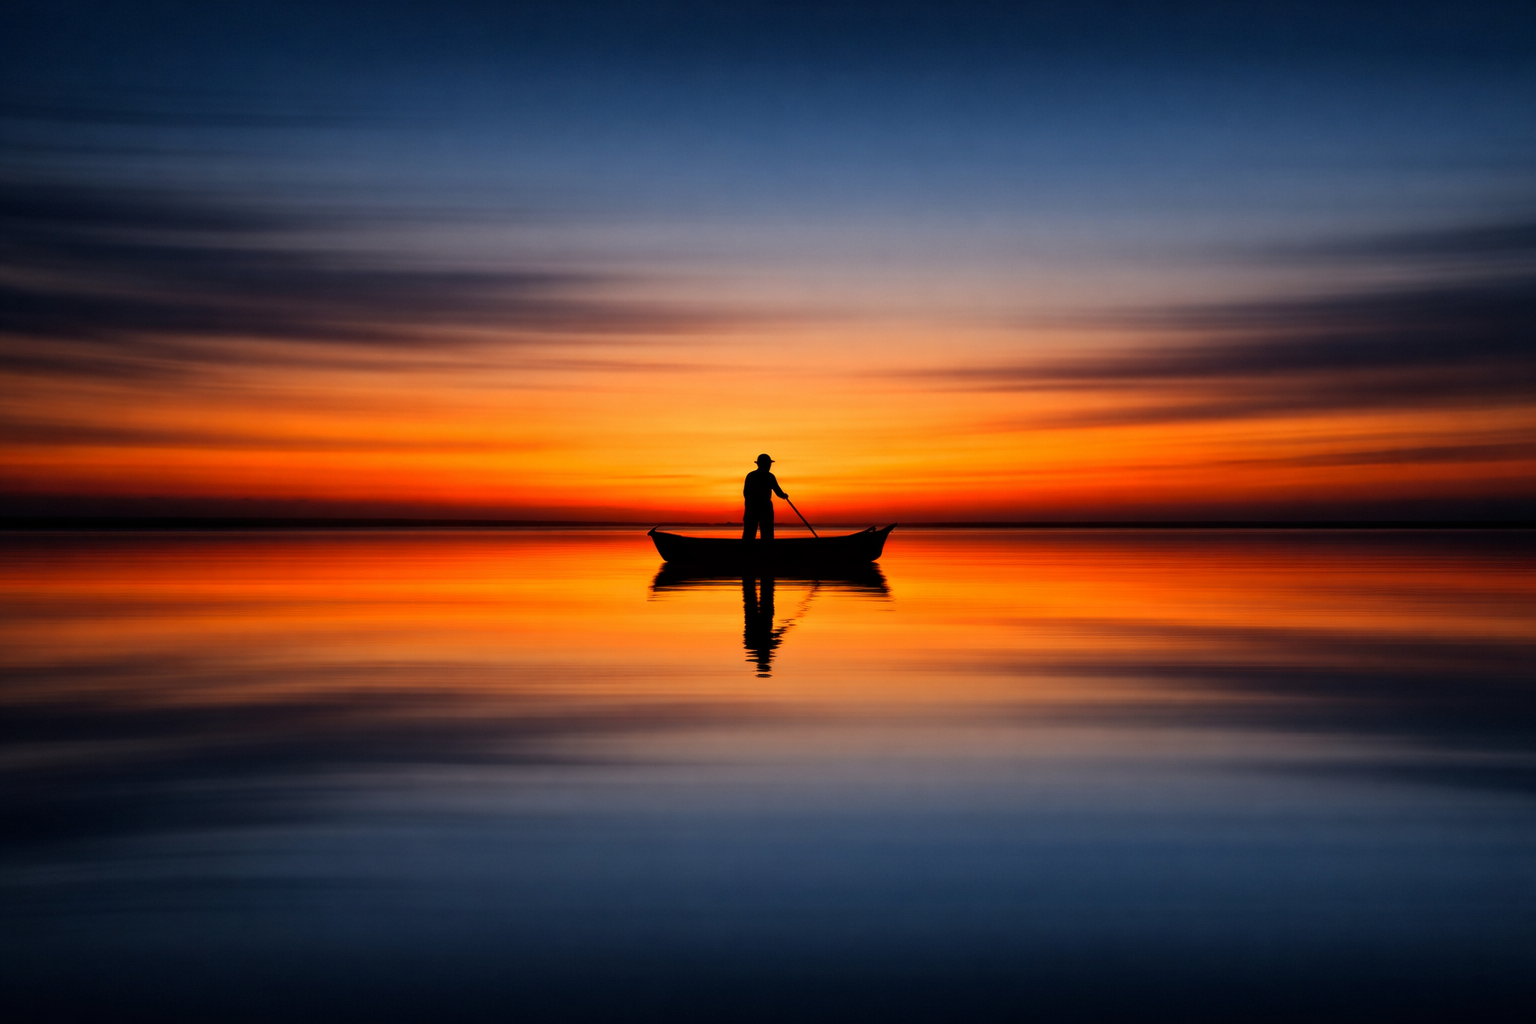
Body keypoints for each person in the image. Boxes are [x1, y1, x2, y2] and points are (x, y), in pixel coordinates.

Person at [742, 453, 788, 541]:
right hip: (761, 508)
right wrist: (783, 495)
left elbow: (745, 493)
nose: (769, 466)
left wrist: (783, 495)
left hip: (754, 507)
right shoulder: (769, 476)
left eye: (769, 464)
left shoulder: (751, 476)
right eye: (768, 464)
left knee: (751, 534)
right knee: (765, 533)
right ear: (762, 464)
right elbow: (778, 491)